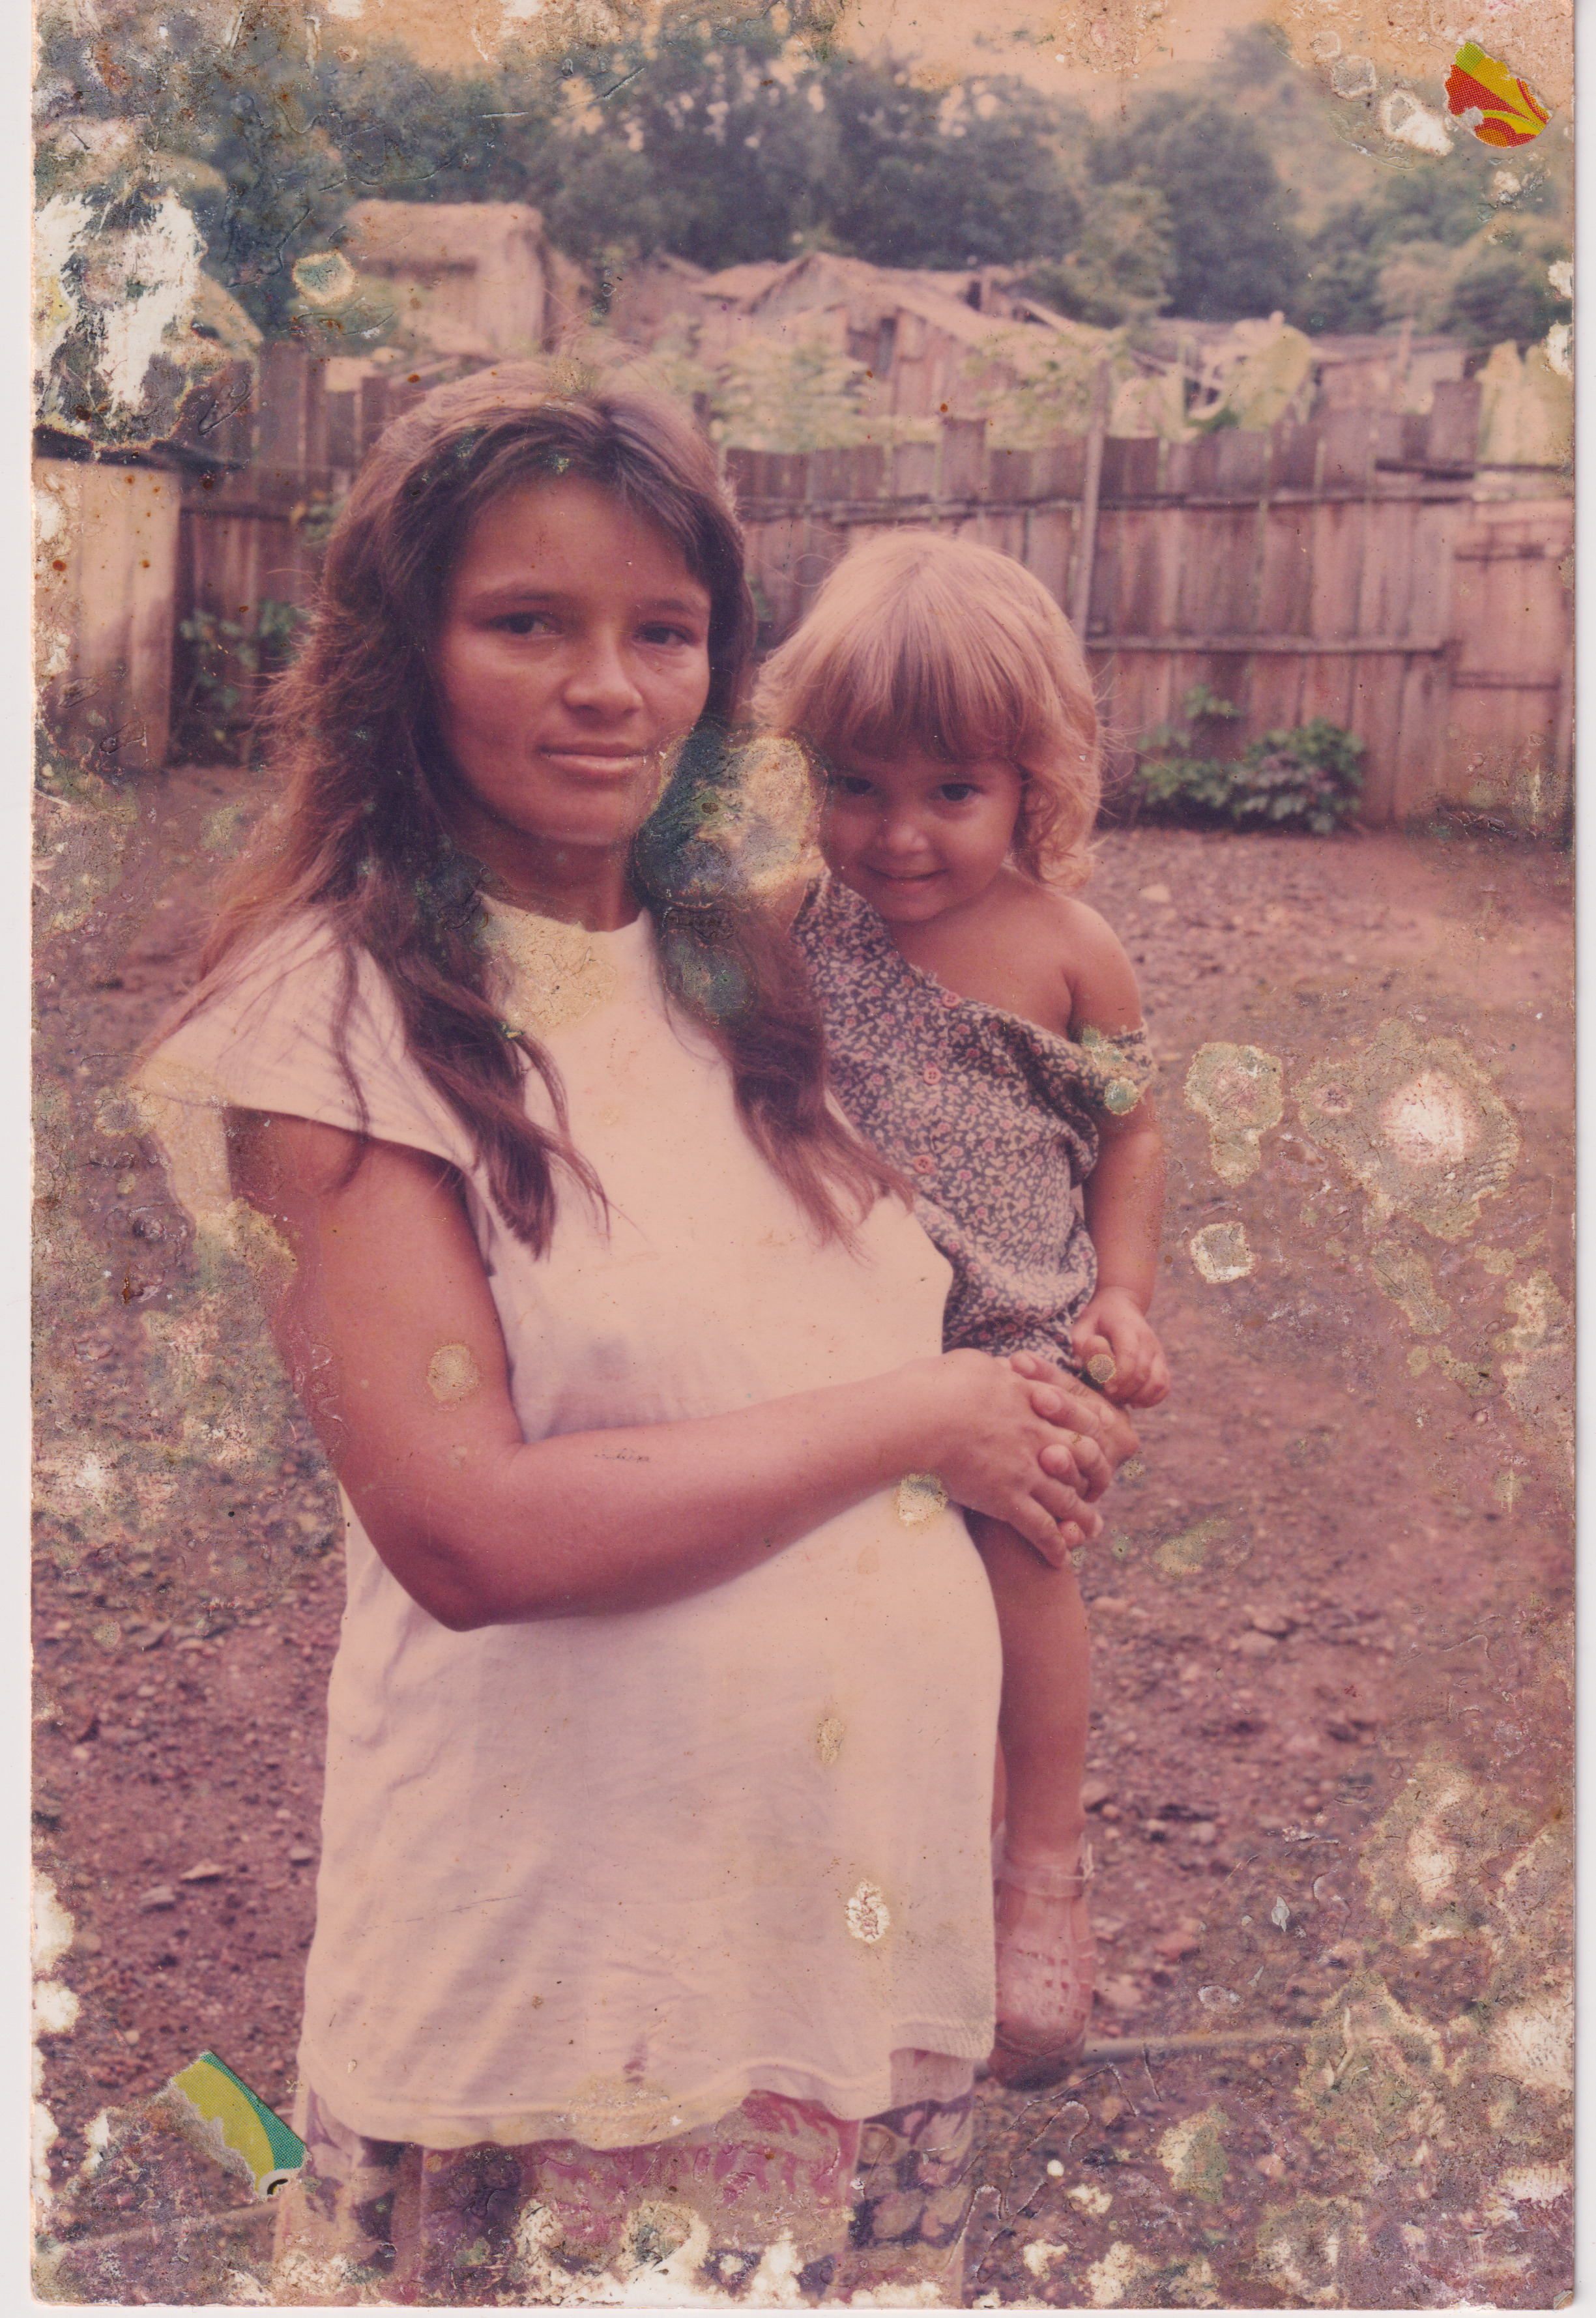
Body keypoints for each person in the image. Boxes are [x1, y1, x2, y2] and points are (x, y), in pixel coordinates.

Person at [137, 364, 1136, 2305]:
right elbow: (470, 1533)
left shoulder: (767, 966)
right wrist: (933, 1412)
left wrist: (1066, 1362)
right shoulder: (328, 1025)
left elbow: (1000, 1225)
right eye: (529, 623)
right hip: (568, 2016)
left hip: (851, 1974)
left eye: (662, 633)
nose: (609, 688)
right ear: (403, 653)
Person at [755, 529, 1169, 2088]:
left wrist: (1123, 1295)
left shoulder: (1072, 952)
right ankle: (871, 1886)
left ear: (1031, 783)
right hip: (831, 1335)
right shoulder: (784, 925)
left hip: (1011, 1334)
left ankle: (1040, 1865)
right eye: (857, 784)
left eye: (951, 792)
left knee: (1017, 1564)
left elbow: (1131, 1128)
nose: (900, 833)